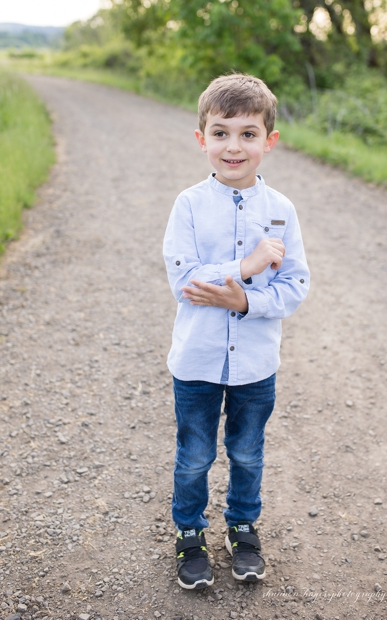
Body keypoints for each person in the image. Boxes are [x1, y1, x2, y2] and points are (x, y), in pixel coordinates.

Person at [162, 73, 310, 589]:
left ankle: (243, 527)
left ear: (269, 142)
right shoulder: (189, 205)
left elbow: (295, 286)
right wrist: (243, 268)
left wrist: (245, 300)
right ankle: (189, 533)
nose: (233, 146)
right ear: (202, 139)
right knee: (196, 454)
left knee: (247, 451)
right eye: (220, 132)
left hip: (254, 363)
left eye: (248, 134)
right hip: (198, 360)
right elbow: (183, 279)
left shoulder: (281, 211)